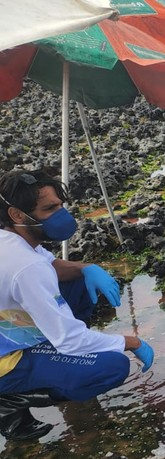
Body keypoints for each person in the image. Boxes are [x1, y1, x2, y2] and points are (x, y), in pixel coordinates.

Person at [0, 169, 154, 441]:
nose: (61, 214)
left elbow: (51, 266)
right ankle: (8, 400)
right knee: (111, 366)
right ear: (17, 214)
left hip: (10, 328)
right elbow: (70, 340)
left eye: (61, 205)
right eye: (50, 208)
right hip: (5, 359)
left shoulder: (14, 240)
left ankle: (45, 362)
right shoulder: (25, 267)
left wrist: (87, 268)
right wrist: (132, 343)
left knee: (80, 282)